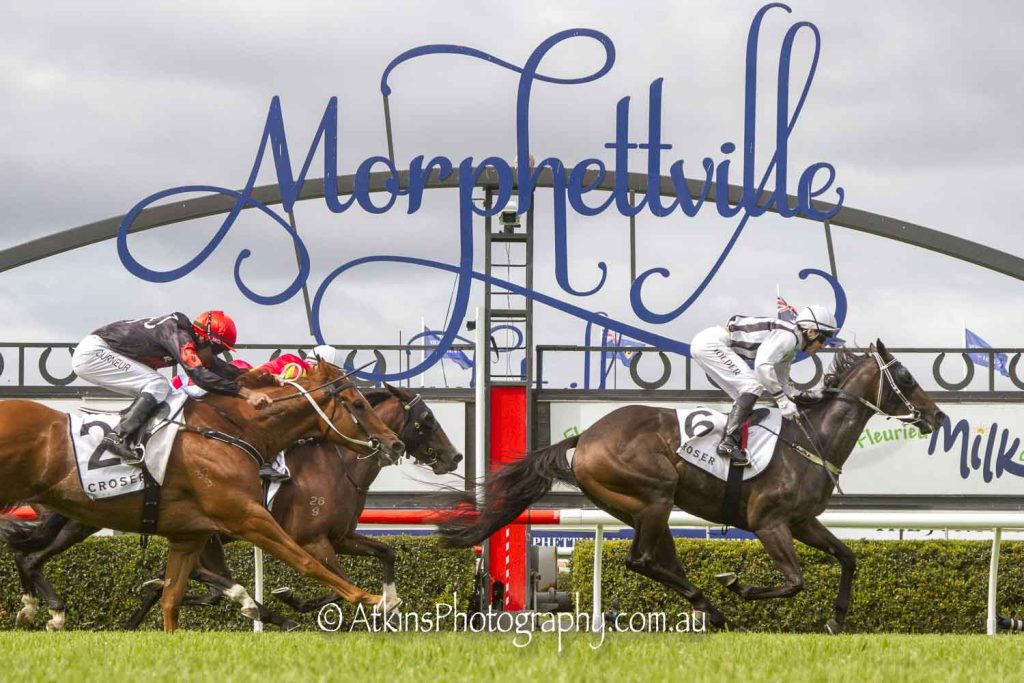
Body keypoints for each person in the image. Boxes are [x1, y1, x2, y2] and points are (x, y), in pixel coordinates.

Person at [71, 311, 272, 463]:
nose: (216, 354)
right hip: (95, 353)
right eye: (217, 348)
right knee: (157, 384)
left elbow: (220, 368)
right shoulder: (178, 334)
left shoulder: (190, 336)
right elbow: (200, 376)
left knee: (160, 389)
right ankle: (117, 437)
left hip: (103, 351)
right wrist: (246, 393)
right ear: (204, 338)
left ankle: (131, 435)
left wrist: (266, 379)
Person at [689, 305, 839, 467]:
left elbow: (785, 386)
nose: (823, 346)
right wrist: (782, 402)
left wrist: (815, 396)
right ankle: (728, 442)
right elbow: (762, 367)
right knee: (752, 386)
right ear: (811, 332)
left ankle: (734, 435)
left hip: (708, 344)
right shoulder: (788, 337)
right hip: (711, 344)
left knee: (744, 396)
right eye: (823, 339)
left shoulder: (790, 346)